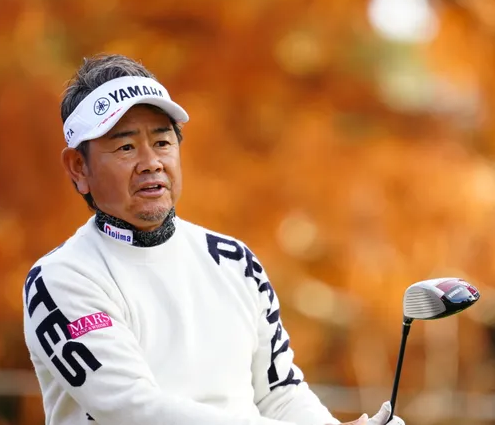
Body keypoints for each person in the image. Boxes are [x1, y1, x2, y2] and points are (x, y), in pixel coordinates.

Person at [22, 54, 406, 425]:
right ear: (78, 168)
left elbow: (279, 393)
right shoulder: (62, 278)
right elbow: (136, 411)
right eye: (125, 147)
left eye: (162, 142)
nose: (151, 162)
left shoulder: (233, 260)